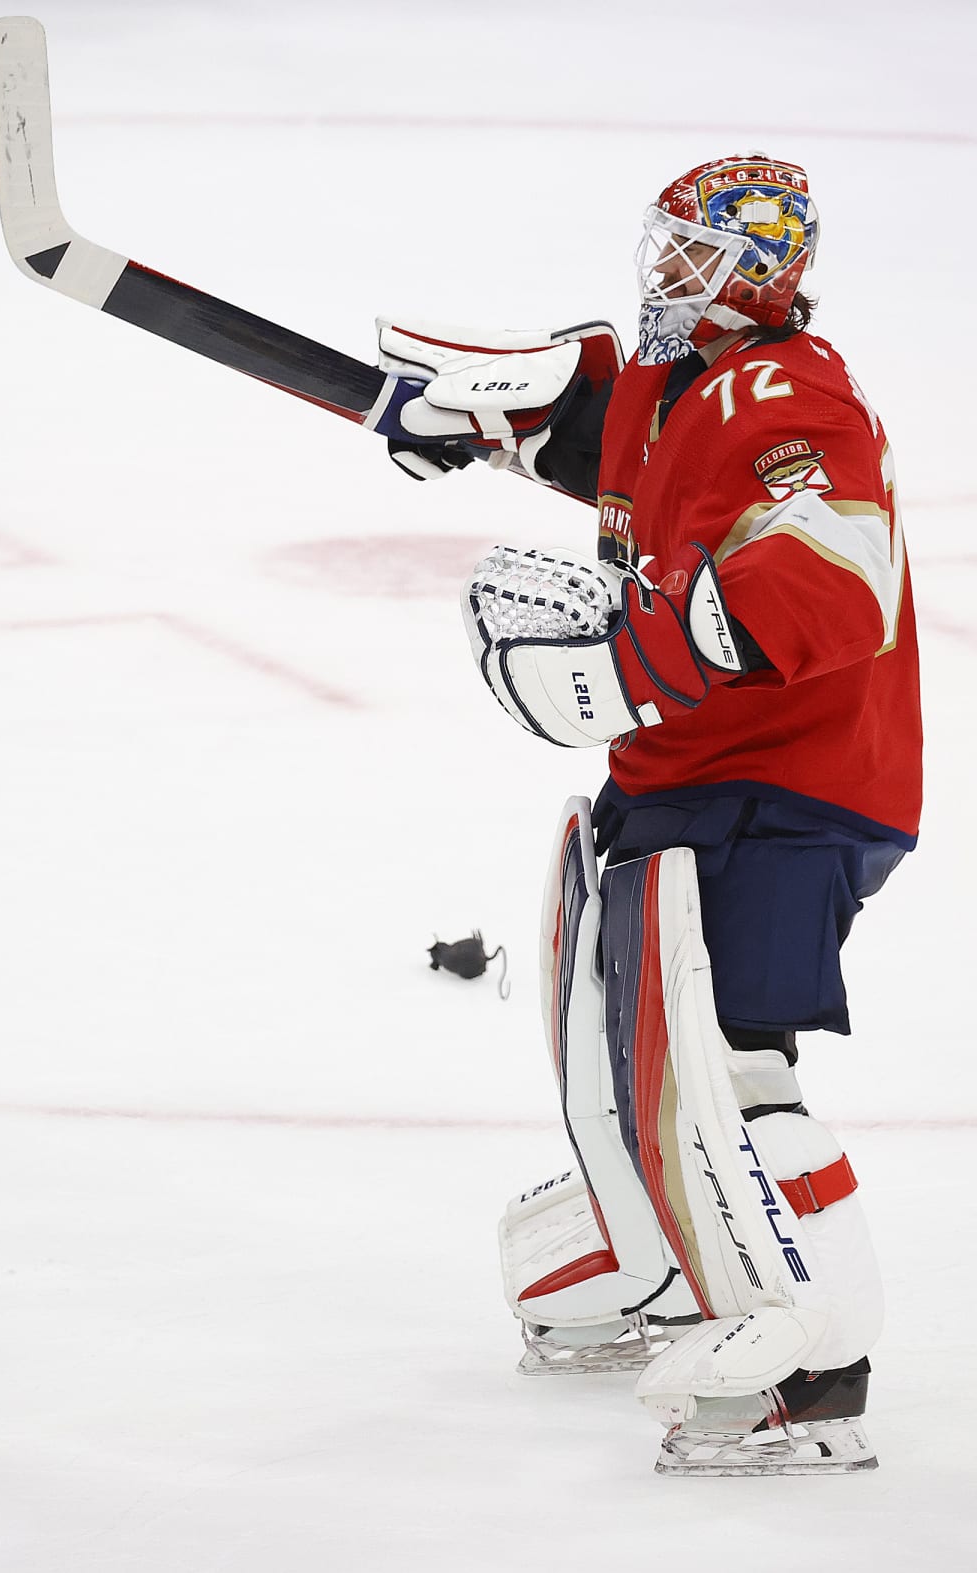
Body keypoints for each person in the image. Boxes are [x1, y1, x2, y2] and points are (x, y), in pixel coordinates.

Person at [380, 153, 918, 1474]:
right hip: (679, 772)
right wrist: (460, 420)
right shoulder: (669, 384)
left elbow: (836, 578)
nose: (664, 273)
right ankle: (661, 1255)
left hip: (789, 783)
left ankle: (816, 1356)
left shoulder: (798, 398)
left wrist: (635, 663)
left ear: (762, 271)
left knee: (737, 1054)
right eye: (663, 246)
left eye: (695, 255)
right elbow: (591, 427)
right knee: (626, 1036)